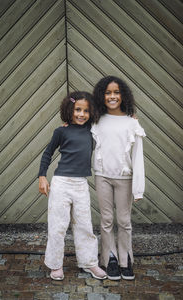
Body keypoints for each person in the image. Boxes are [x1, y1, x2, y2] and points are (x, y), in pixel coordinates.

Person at [38, 91, 107, 281]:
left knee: (84, 225)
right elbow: (47, 153)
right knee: (58, 226)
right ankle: (55, 265)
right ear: (70, 109)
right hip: (61, 183)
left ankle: (89, 262)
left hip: (81, 185)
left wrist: (129, 117)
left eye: (86, 111)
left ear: (91, 112)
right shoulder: (61, 131)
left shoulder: (92, 130)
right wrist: (42, 176)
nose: (81, 114)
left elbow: (108, 118)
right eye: (77, 110)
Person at [91, 76, 146, 281]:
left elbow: (137, 156)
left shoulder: (131, 123)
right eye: (107, 93)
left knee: (124, 221)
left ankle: (125, 259)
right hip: (102, 176)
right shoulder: (96, 120)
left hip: (125, 178)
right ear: (101, 96)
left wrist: (138, 188)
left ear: (123, 95)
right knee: (106, 220)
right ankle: (109, 258)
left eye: (116, 92)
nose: (112, 96)